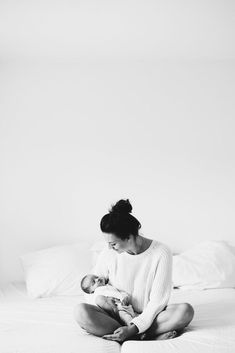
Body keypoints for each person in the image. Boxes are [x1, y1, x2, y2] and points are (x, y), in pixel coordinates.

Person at [74, 199, 194, 342]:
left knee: (185, 311)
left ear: (129, 237)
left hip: (151, 316)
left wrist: (133, 327)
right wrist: (108, 304)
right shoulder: (108, 254)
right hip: (117, 315)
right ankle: (146, 335)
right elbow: (93, 291)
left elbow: (157, 302)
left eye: (113, 244)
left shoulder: (161, 253)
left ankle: (132, 334)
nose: (109, 248)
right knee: (81, 312)